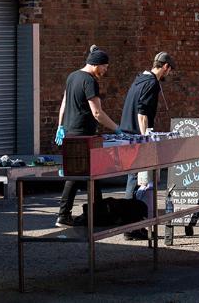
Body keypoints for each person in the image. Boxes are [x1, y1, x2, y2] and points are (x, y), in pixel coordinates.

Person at [55, 45, 121, 227]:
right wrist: (117, 128)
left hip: (70, 132)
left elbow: (63, 104)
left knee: (92, 174)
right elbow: (97, 113)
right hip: (83, 135)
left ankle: (97, 213)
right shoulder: (90, 81)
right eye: (105, 67)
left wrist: (60, 125)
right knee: (76, 176)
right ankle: (64, 215)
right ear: (96, 65)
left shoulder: (72, 76)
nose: (106, 70)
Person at [117, 52, 175, 240]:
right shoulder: (152, 83)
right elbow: (142, 113)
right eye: (169, 70)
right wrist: (146, 140)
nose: (168, 74)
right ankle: (131, 227)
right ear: (165, 66)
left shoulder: (139, 80)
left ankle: (134, 225)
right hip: (137, 137)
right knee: (136, 182)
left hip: (127, 134)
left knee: (134, 180)